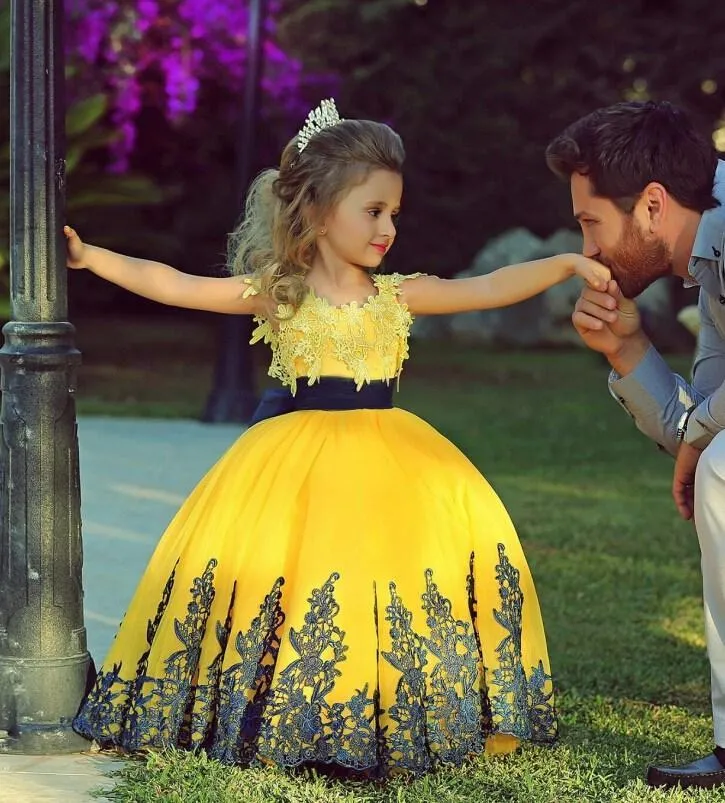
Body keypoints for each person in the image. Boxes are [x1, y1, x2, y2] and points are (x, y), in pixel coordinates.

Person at [68, 99, 608, 779]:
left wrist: (563, 264)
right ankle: (287, 710)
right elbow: (176, 284)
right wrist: (92, 257)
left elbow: (489, 286)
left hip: (392, 460)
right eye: (372, 210)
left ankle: (388, 710)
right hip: (292, 462)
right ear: (320, 212)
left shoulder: (397, 295)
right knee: (296, 582)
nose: (386, 228)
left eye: (393, 214)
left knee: (390, 579)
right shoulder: (281, 293)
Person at [546, 99, 725, 791]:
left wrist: (705, 440)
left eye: (591, 222)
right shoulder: (707, 262)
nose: (587, 249)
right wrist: (626, 349)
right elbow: (695, 423)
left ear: (650, 203)